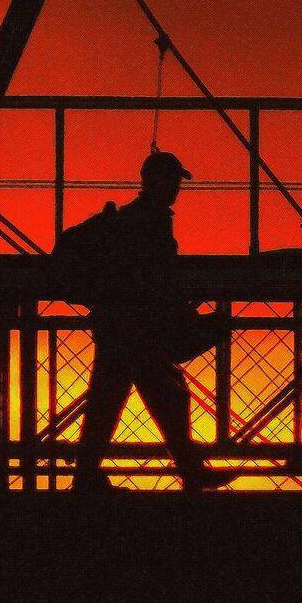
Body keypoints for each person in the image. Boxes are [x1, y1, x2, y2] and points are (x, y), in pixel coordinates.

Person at [58, 149, 234, 493]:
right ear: (156, 181)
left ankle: (88, 477)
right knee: (162, 395)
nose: (177, 188)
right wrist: (180, 311)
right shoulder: (147, 222)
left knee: (115, 399)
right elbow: (153, 280)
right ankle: (189, 470)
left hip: (120, 323)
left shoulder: (132, 219)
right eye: (173, 181)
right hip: (135, 326)